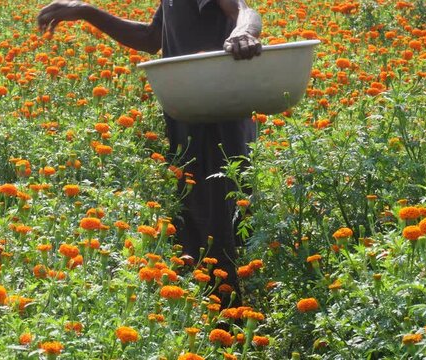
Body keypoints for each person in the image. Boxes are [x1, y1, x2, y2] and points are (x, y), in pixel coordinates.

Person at [38, 0, 262, 306]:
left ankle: (236, 319)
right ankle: (205, 315)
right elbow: (151, 37)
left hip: (220, 120)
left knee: (224, 221)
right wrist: (86, 12)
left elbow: (243, 11)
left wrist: (244, 33)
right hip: (189, 116)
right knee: (195, 223)